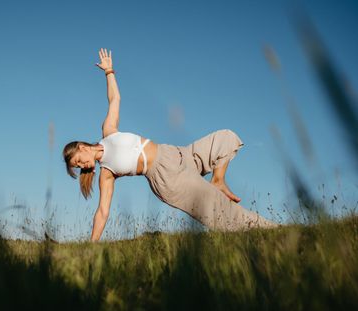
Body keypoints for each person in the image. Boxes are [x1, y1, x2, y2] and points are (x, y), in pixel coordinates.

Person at [63, 48, 280, 242]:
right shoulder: (106, 173)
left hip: (177, 154)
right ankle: (273, 232)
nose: (83, 166)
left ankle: (218, 180)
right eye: (79, 167)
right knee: (219, 209)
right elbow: (102, 211)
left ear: (82, 147)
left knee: (226, 139)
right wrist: (92, 245)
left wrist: (109, 72)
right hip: (166, 177)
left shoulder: (108, 132)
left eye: (79, 161)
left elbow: (115, 100)